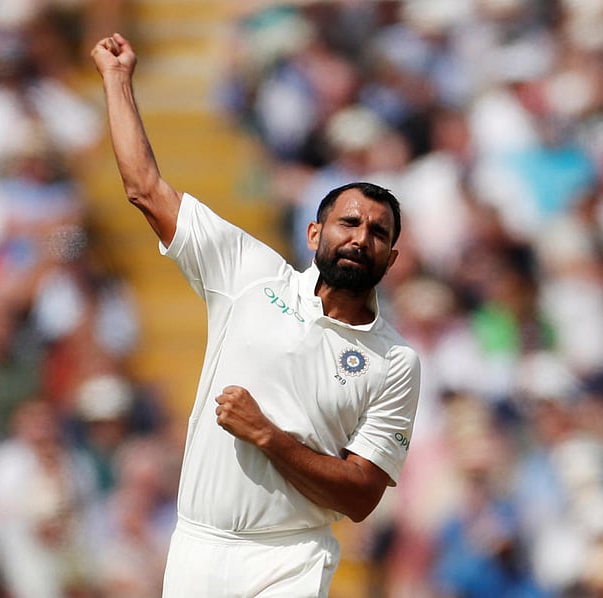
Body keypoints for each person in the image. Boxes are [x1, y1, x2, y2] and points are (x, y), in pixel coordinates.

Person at [90, 32, 421, 597]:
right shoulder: (252, 273)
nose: (361, 238)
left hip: (291, 556)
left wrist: (268, 436)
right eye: (348, 223)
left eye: (378, 232)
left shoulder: (395, 361)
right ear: (313, 233)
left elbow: (361, 495)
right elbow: (145, 189)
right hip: (198, 544)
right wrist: (117, 81)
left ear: (391, 257)